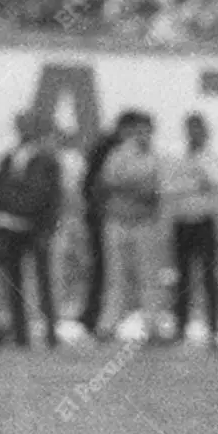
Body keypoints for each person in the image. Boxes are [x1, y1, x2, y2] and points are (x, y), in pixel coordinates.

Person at [0, 110, 63, 349]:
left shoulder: (47, 160)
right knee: (14, 283)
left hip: (35, 227)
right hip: (10, 227)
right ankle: (20, 334)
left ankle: (50, 332)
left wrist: (46, 228)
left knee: (43, 282)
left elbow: (50, 198)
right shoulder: (9, 157)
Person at [96, 110, 162, 341]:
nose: (143, 135)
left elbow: (154, 191)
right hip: (118, 221)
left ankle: (152, 327)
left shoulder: (154, 158)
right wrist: (135, 185)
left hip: (143, 223)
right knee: (116, 276)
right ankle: (108, 326)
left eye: (147, 131)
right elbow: (110, 181)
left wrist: (130, 185)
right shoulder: (118, 154)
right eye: (139, 131)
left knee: (148, 277)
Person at [165, 111, 218, 348]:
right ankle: (180, 327)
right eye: (190, 129)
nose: (194, 134)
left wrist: (200, 172)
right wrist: (193, 183)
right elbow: (168, 187)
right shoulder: (177, 155)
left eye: (198, 129)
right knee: (183, 277)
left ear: (204, 131)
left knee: (209, 277)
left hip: (205, 221)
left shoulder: (214, 155)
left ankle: (213, 329)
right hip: (182, 221)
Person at [78, 113, 133, 337]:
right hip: (103, 217)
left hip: (104, 216)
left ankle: (98, 316)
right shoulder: (109, 150)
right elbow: (95, 185)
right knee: (104, 269)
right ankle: (95, 317)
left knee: (105, 269)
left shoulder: (107, 148)